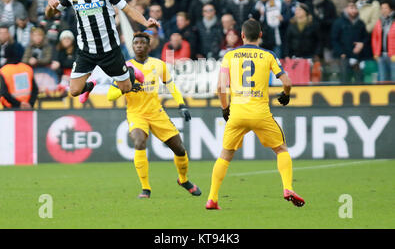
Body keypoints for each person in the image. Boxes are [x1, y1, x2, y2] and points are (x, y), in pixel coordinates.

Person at [206, 18, 305, 210]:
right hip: (260, 113)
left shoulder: (229, 55)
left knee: (225, 155)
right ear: (260, 35)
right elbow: (287, 82)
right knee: (281, 149)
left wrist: (225, 108)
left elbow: (220, 86)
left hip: (237, 113)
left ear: (241, 36)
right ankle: (287, 188)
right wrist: (286, 95)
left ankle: (212, 198)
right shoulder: (268, 55)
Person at [45, 0, 160, 103]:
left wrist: (145, 22)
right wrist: (50, 6)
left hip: (110, 50)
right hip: (86, 51)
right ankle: (91, 85)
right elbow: (50, 14)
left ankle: (130, 71)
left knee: (126, 88)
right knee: (74, 91)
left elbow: (128, 9)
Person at [106, 32, 201, 199]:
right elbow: (110, 95)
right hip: (136, 114)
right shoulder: (124, 67)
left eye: (143, 43)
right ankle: (145, 189)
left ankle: (184, 180)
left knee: (179, 149)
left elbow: (171, 85)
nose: (139, 46)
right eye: (136, 43)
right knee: (139, 142)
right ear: (132, 46)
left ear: (149, 46)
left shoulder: (159, 65)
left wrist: (182, 105)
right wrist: (125, 88)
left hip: (156, 113)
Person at [0, 45, 38, 109]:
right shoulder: (27, 68)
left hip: (10, 108)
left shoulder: (3, 71)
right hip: (28, 107)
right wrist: (30, 103)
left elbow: (4, 92)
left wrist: (19, 104)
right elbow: (35, 89)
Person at [371, 1, 395, 81]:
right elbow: (375, 38)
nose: (383, 10)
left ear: (391, 9)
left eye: (386, 8)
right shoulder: (379, 22)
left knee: (393, 78)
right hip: (381, 55)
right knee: (382, 79)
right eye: (382, 8)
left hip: (393, 56)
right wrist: (376, 53)